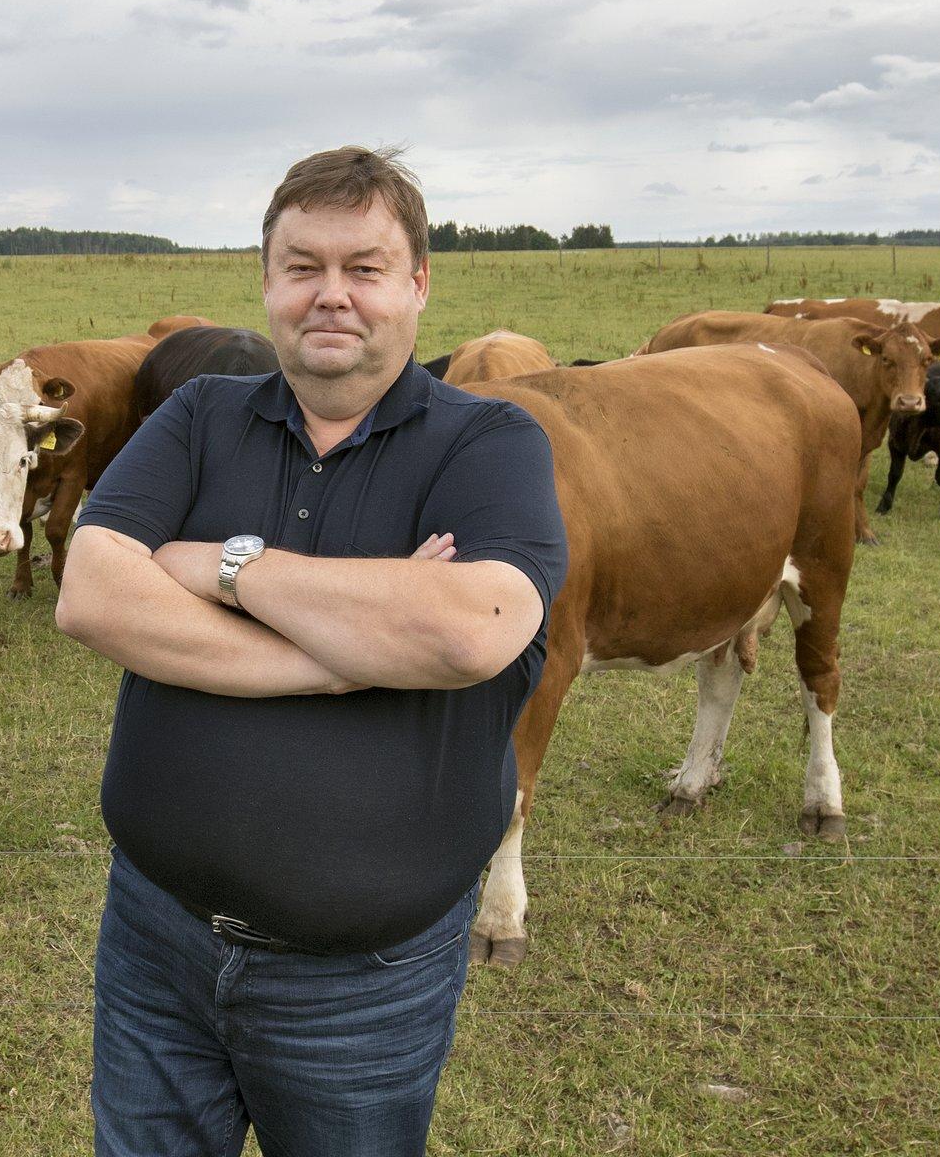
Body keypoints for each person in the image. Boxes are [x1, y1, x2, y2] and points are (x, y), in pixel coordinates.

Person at [57, 146, 569, 1156]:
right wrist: (339, 657)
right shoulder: (200, 413)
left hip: (359, 986)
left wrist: (226, 565)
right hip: (155, 940)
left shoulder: (489, 444)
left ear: (416, 283)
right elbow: (92, 592)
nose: (329, 295)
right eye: (301, 267)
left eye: (363, 267)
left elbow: (470, 626)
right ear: (265, 281)